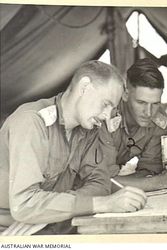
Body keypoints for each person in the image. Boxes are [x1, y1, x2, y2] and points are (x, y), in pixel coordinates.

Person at [0, 61, 147, 234]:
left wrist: (52, 209)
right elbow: (24, 205)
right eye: (105, 104)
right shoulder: (31, 122)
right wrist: (102, 203)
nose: (107, 115)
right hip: (9, 231)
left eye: (112, 108)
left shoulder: (89, 130)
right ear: (84, 87)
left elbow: (100, 183)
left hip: (48, 224)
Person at [96, 58, 167, 192]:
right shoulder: (103, 116)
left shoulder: (158, 120)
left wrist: (148, 181)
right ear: (125, 95)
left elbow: (149, 171)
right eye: (141, 102)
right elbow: (100, 182)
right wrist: (163, 181)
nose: (149, 112)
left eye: (155, 103)